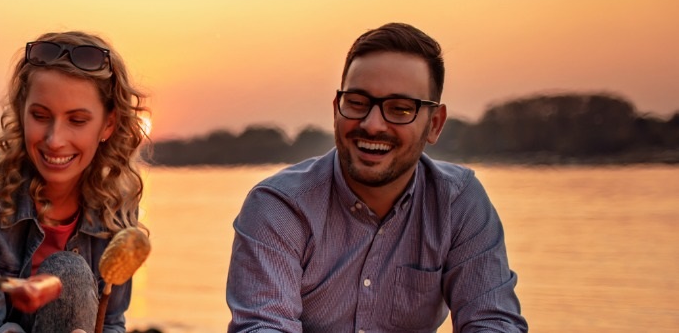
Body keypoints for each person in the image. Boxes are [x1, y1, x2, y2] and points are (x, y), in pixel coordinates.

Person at [225, 23, 527, 332]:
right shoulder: (280, 207)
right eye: (357, 103)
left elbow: (493, 320)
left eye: (399, 109)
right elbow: (263, 326)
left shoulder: (458, 202)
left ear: (434, 124)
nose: (372, 125)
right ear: (335, 110)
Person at [0, 31, 149, 333]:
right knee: (68, 272)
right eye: (40, 115)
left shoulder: (116, 203)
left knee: (68, 275)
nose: (54, 140)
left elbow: (111, 321)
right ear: (22, 112)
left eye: (77, 121)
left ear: (108, 125)